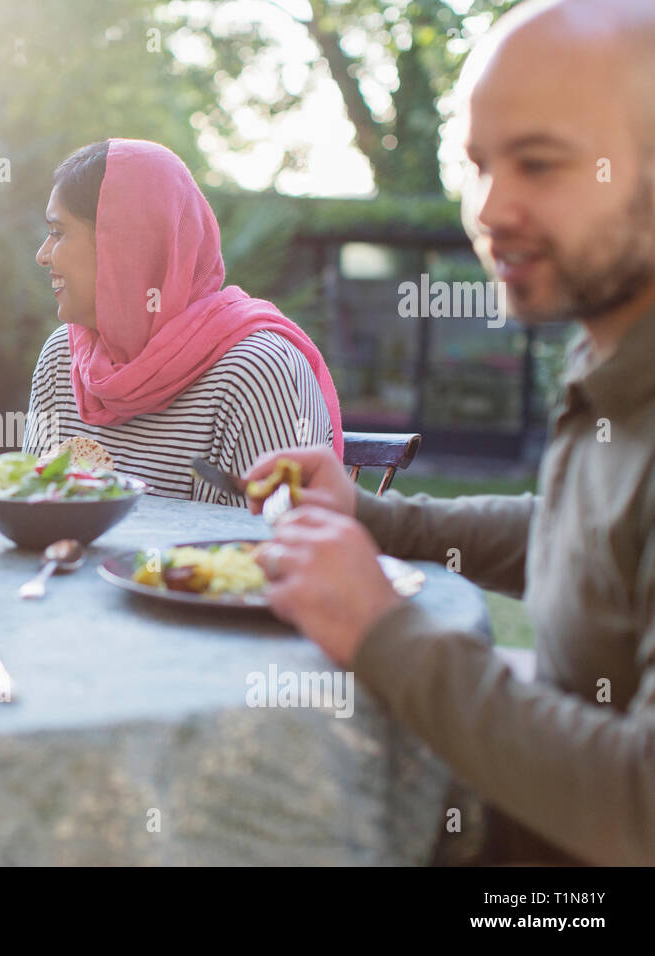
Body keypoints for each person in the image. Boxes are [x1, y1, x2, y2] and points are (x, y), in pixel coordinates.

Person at [246, 0, 655, 864]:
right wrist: (377, 517)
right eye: (477, 166)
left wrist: (382, 631)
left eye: (539, 164)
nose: (491, 209)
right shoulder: (613, 360)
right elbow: (583, 536)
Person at [22, 139, 342, 504]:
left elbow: (278, 540)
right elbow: (31, 508)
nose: (42, 256)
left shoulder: (258, 370)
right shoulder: (62, 357)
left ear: (122, 244)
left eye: (58, 232)